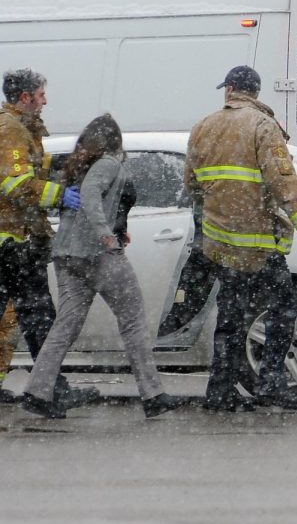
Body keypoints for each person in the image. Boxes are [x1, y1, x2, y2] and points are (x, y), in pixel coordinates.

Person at [20, 115, 185, 418]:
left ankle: (37, 391)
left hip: (67, 256)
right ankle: (153, 395)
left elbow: (87, 201)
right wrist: (105, 234)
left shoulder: (77, 166)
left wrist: (114, 228)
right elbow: (91, 197)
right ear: (114, 142)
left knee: (65, 326)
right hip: (98, 256)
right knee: (133, 320)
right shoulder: (108, 163)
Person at [186, 65, 297, 412]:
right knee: (284, 308)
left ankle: (221, 391)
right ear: (255, 92)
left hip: (221, 244)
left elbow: (192, 185)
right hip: (258, 243)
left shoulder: (203, 126)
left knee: (230, 316)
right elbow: (283, 179)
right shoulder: (263, 126)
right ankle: (271, 382)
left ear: (230, 89)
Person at [0, 68, 99, 408]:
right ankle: (50, 391)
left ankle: (49, 389)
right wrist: (58, 195)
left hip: (18, 239)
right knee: (39, 315)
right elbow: (13, 183)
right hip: (13, 242)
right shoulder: (10, 131)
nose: (45, 101)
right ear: (25, 97)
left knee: (28, 315)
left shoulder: (20, 128)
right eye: (41, 95)